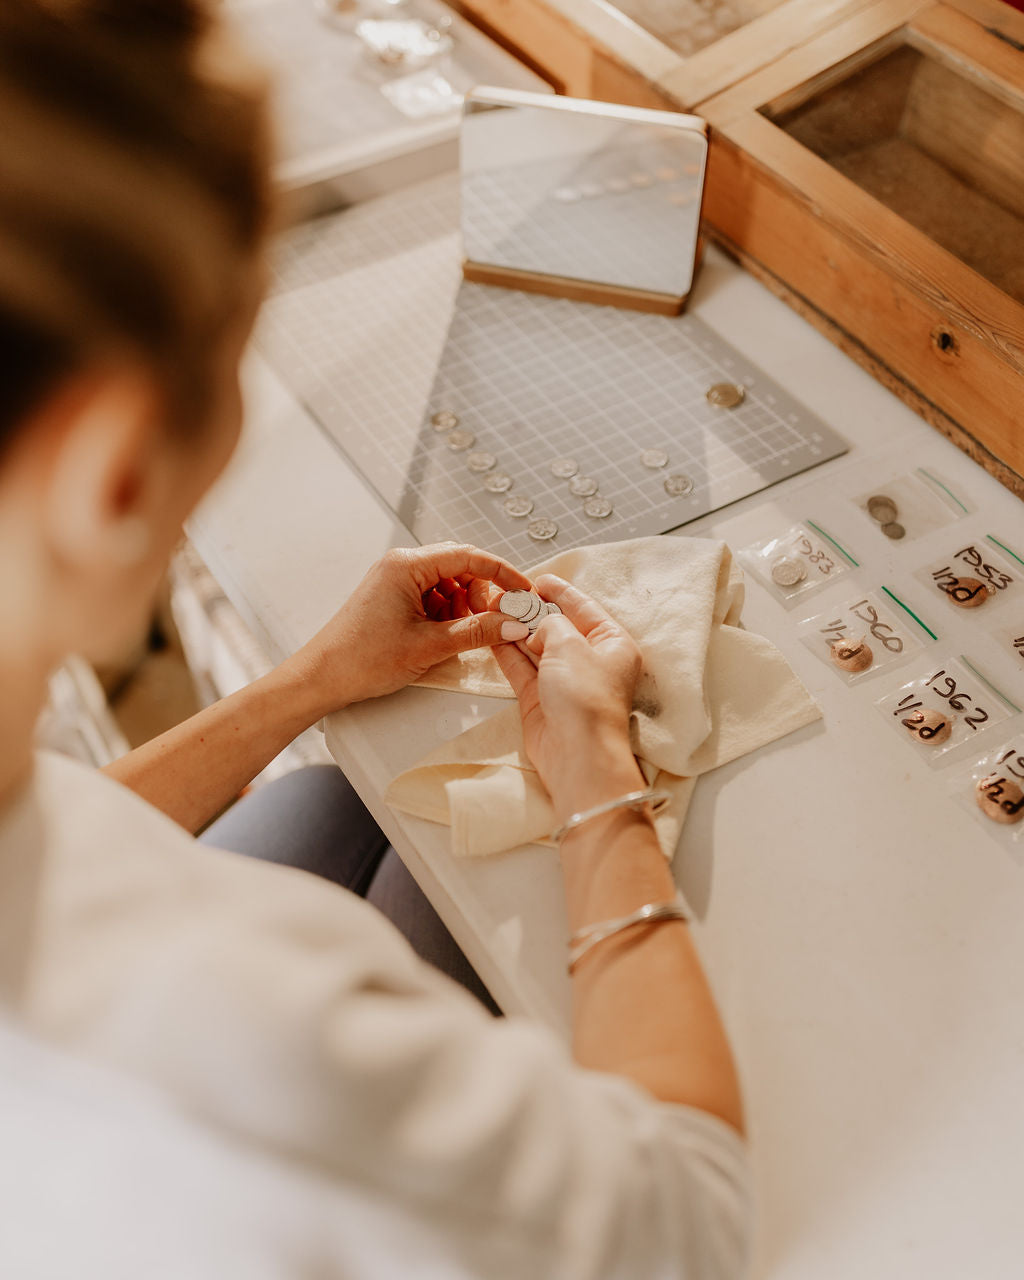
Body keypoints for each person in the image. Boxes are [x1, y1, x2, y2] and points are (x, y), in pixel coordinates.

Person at [0, 2, 750, 1276]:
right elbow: (685, 1218)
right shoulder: (231, 1047)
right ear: (114, 474)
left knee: (346, 806)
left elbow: (57, 823)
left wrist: (307, 684)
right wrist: (596, 782)